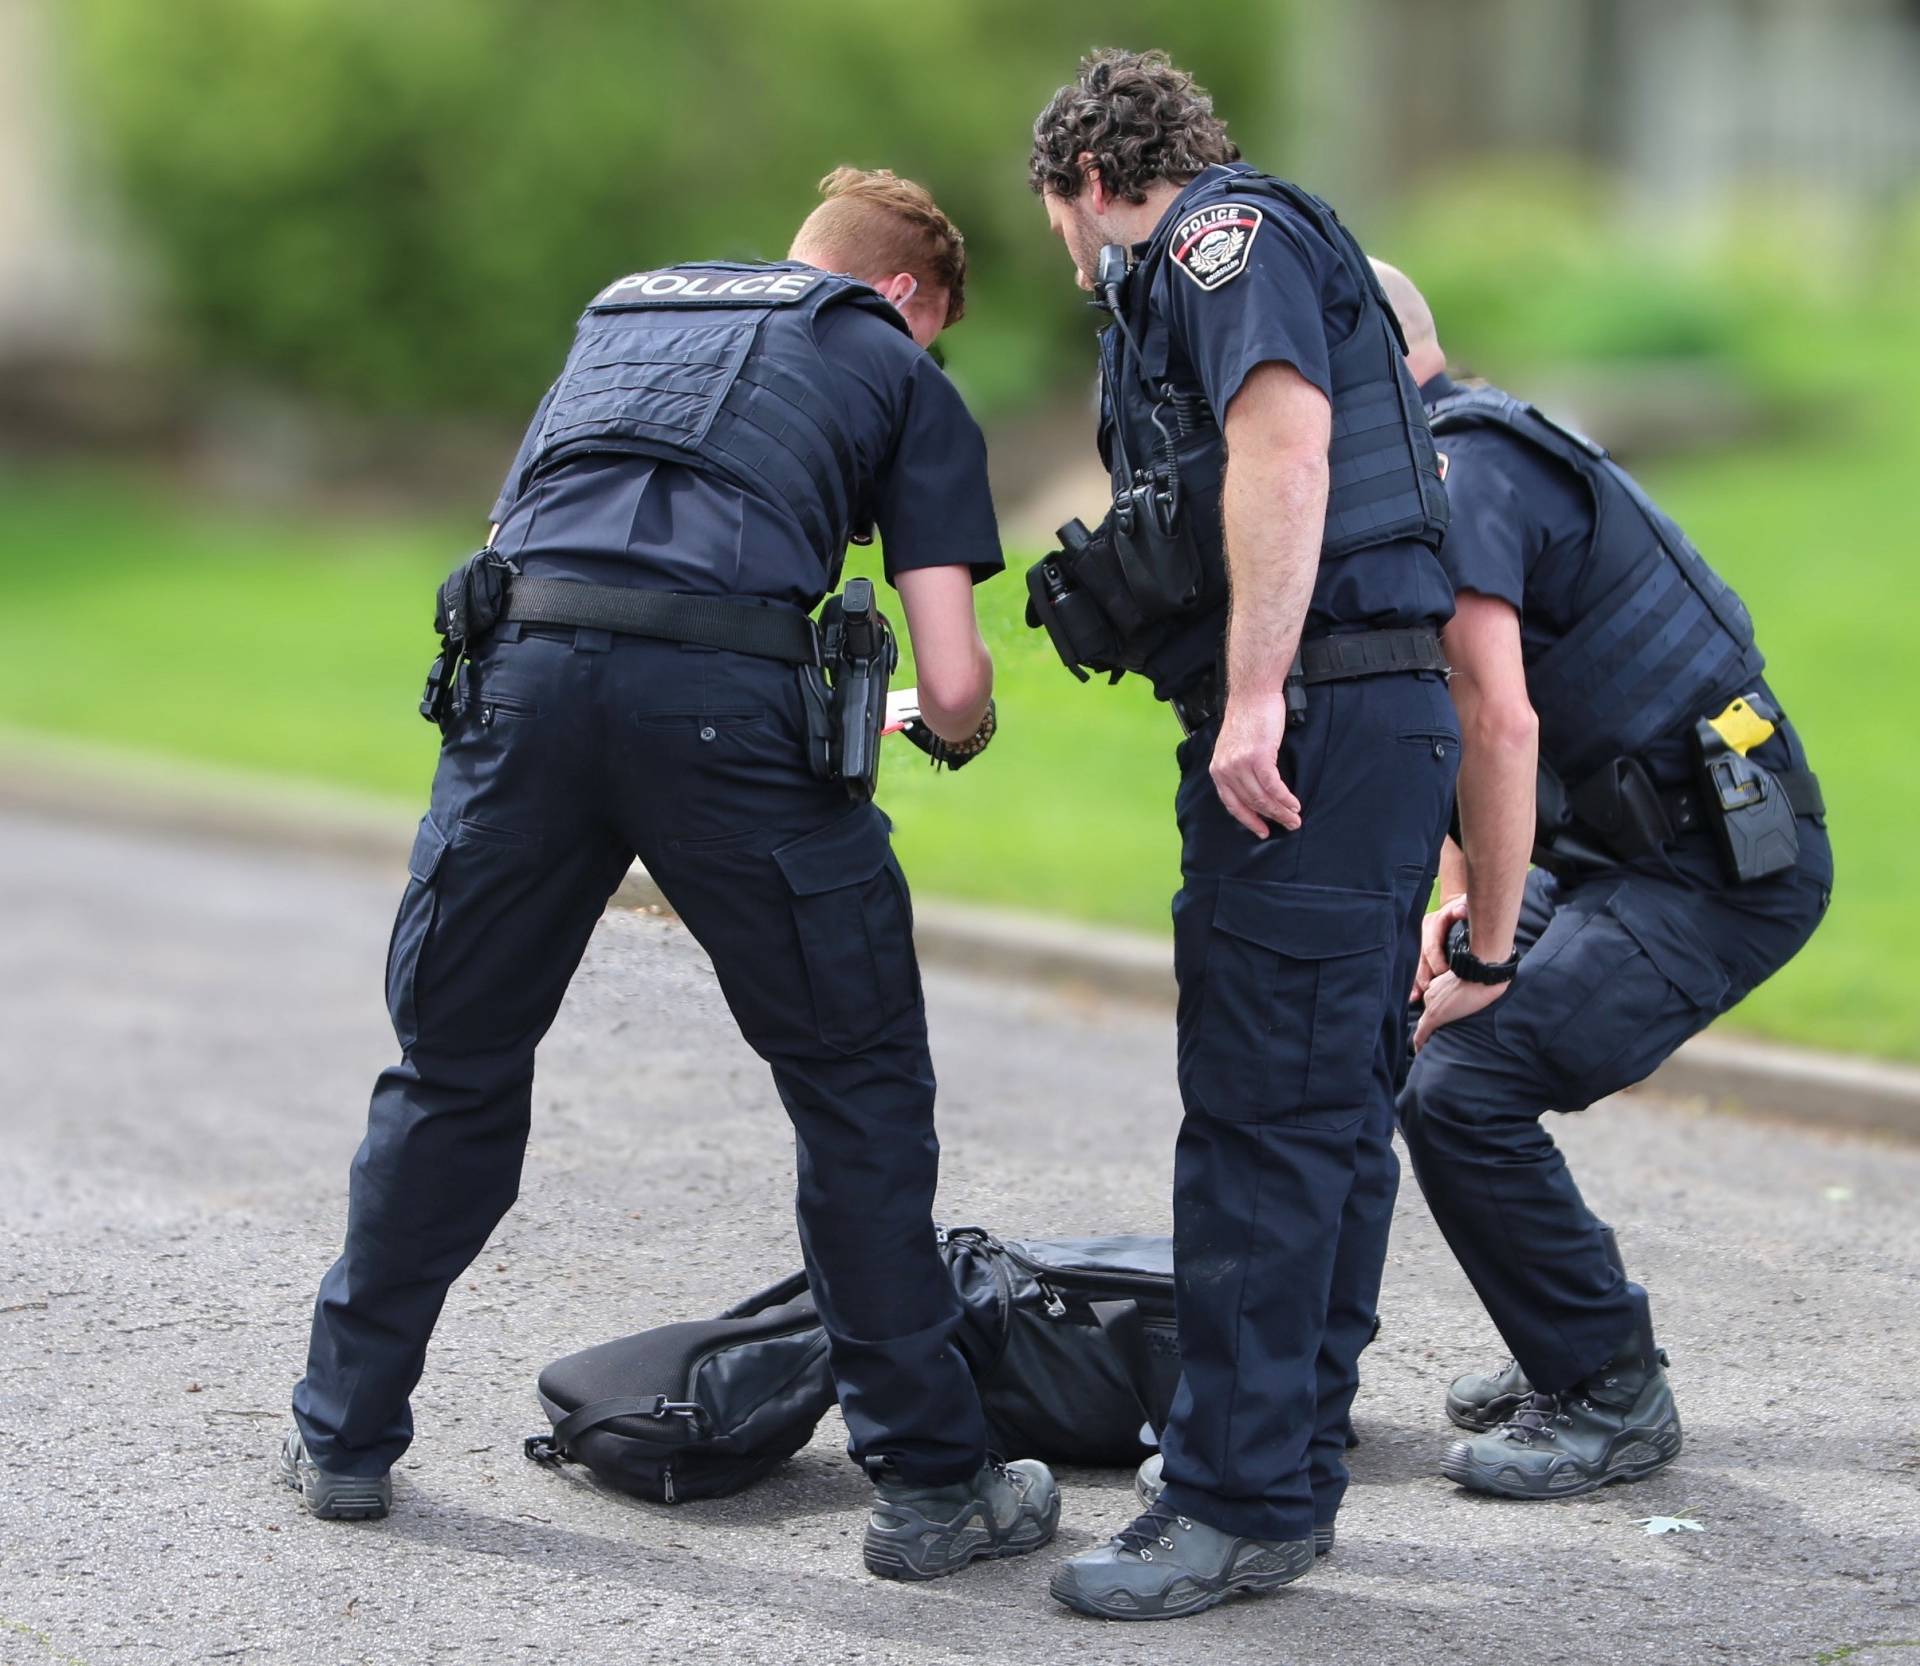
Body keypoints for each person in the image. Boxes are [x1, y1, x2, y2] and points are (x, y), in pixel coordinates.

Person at [279, 168, 1060, 1582]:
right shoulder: (893, 362)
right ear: (908, 297)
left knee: (451, 1070)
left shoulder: (627, 318)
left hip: (517, 692)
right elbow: (950, 679)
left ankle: (342, 1433)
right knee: (857, 1090)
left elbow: (553, 528)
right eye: (930, 328)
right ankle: (933, 1489)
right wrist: (957, 726)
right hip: (726, 719)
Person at [1024, 51, 1457, 1621]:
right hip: (1372, 721)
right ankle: (1277, 1459)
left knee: (1265, 1110)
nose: (1075, 262)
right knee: (1327, 1107)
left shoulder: (1215, 240)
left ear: (1084, 183)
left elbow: (1285, 446)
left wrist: (1256, 697)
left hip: (1318, 722)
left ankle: (1237, 1500)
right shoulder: (1233, 253)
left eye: (1065, 227)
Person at [1374, 259, 1832, 1499]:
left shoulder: (1465, 474)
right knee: (1417, 1037)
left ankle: (1612, 1389)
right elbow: (1459, 717)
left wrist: (1493, 948)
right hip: (1622, 852)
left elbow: (1497, 723)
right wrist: (1467, 897)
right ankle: (1566, 1335)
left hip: (1717, 873)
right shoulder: (1450, 457)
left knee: (1467, 1078)